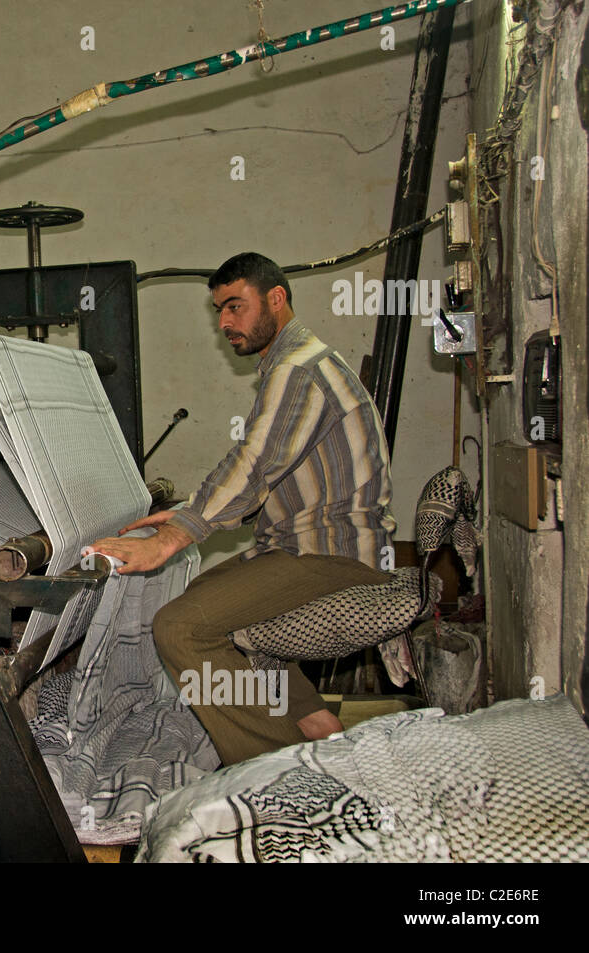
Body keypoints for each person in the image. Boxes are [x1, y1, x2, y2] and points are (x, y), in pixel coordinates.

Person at [85, 252, 395, 766]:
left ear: (277, 299)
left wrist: (174, 535)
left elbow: (256, 465)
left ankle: (277, 771)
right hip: (304, 545)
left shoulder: (300, 369)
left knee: (181, 628)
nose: (226, 322)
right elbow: (258, 460)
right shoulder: (293, 365)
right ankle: (314, 721)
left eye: (236, 306)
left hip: (334, 554)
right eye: (219, 311)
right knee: (206, 594)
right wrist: (187, 509)